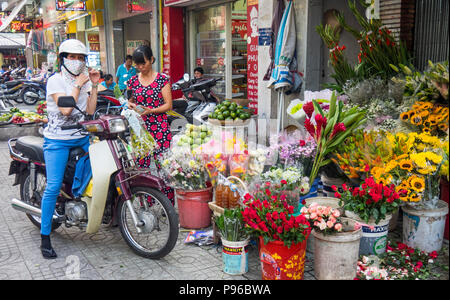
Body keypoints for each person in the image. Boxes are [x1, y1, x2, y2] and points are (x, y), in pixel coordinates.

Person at [40, 39, 100, 259]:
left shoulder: (84, 82)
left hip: (81, 137)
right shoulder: (55, 81)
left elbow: (90, 111)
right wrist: (78, 84)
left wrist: (93, 85)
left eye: (80, 58)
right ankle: (45, 237)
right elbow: (65, 110)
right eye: (72, 57)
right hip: (57, 140)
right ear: (62, 59)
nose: (76, 62)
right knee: (53, 186)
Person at [126, 45, 174, 204]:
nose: (140, 67)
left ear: (152, 60)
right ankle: (145, 202)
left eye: (143, 63)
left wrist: (151, 111)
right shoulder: (132, 81)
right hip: (139, 128)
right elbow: (129, 102)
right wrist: (130, 106)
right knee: (142, 167)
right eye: (137, 65)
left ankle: (167, 203)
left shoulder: (162, 79)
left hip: (159, 127)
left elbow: (168, 105)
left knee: (164, 165)